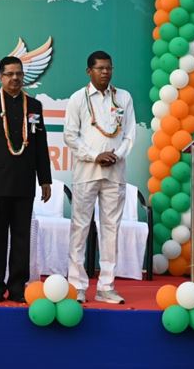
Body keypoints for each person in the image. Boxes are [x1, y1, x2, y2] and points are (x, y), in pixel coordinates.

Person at [0, 56, 52, 303]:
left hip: (25, 180)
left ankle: (17, 288)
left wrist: (45, 179)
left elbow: (41, 145)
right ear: (1, 77)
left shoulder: (34, 106)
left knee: (21, 237)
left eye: (19, 73)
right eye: (9, 74)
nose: (15, 78)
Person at [63, 50, 137, 305]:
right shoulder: (77, 98)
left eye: (109, 68)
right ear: (89, 71)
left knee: (111, 229)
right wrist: (96, 155)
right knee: (80, 228)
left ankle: (106, 286)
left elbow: (129, 134)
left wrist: (116, 155)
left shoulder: (123, 97)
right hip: (86, 173)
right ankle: (77, 285)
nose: (105, 72)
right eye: (100, 68)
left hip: (115, 173)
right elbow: (70, 136)